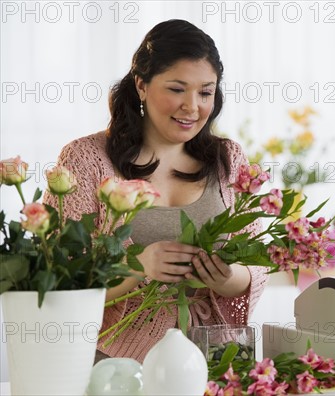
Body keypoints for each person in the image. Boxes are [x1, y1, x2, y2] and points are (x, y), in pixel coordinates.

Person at [43, 19, 268, 363]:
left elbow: (257, 262)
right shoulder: (86, 159)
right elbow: (60, 278)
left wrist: (227, 279)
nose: (192, 107)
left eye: (205, 92)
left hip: (217, 360)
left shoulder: (228, 158)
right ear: (141, 85)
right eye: (177, 89)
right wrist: (137, 267)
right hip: (115, 364)